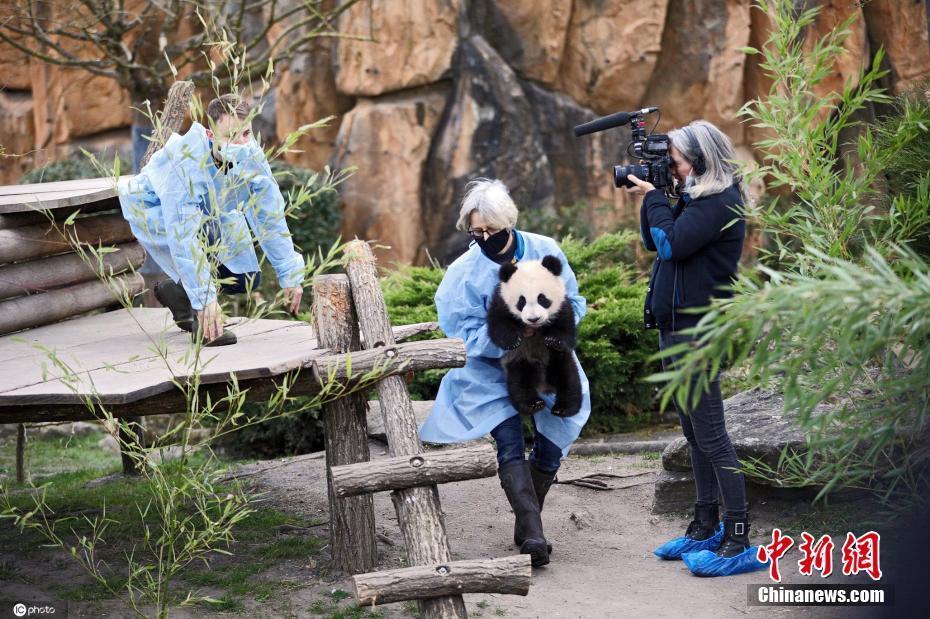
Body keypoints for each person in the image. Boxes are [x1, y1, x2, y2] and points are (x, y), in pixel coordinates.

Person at [419, 178, 591, 568]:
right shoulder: (463, 272)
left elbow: (575, 301)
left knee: (558, 432)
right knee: (509, 442)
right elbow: (460, 329)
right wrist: (508, 338)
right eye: (476, 231)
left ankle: (528, 515)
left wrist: (549, 325)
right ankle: (533, 531)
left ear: (508, 223)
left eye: (491, 231)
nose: (483, 238)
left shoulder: (545, 250)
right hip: (490, 371)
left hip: (549, 361)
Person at [625, 120, 757, 574]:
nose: (671, 166)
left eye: (676, 159)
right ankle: (704, 523)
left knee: (713, 435)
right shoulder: (696, 197)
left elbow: (673, 246)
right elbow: (653, 241)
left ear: (700, 160)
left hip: (698, 331)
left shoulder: (721, 202)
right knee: (694, 432)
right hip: (675, 324)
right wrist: (654, 197)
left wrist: (656, 198)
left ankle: (739, 534)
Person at [118, 94, 305, 346]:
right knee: (203, 255)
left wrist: (289, 273)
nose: (240, 142)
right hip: (157, 210)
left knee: (245, 278)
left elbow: (268, 214)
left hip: (210, 212)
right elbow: (183, 235)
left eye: (246, 133)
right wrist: (205, 299)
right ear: (210, 134)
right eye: (231, 136)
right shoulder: (187, 162)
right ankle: (202, 324)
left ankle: (178, 294)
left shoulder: (249, 153)